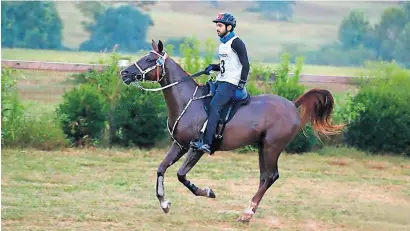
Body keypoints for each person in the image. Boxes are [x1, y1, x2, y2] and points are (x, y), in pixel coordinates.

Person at [191, 12, 250, 154]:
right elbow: (228, 65)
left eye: (219, 25)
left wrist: (241, 83)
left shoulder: (237, 42)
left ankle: (207, 143)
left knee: (214, 106)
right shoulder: (223, 44)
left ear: (229, 27)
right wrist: (213, 67)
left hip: (231, 83)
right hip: (221, 80)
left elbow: (245, 64)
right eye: (216, 25)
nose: (217, 28)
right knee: (205, 101)